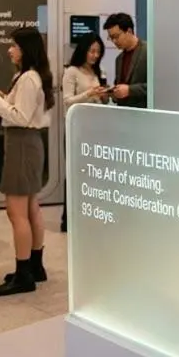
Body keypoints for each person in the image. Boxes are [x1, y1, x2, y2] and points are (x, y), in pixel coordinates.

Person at [0, 27, 55, 297]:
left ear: (26, 49)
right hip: (27, 144)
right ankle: (34, 265)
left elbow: (19, 116)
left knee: (16, 211)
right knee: (31, 207)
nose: (9, 50)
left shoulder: (28, 79)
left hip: (22, 143)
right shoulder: (28, 77)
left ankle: (23, 274)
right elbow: (15, 109)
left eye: (14, 45)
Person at [60, 33, 109, 232]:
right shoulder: (72, 71)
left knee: (94, 174)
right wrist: (89, 93)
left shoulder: (100, 71)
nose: (95, 55)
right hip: (77, 129)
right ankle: (69, 218)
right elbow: (67, 101)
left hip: (96, 128)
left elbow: (105, 101)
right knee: (75, 173)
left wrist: (105, 95)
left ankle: (92, 214)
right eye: (92, 51)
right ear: (83, 50)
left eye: (98, 52)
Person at [103, 13, 147, 108]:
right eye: (111, 38)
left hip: (145, 115)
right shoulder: (119, 59)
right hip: (124, 115)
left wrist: (130, 90)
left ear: (129, 31)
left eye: (116, 36)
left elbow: (159, 86)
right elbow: (120, 89)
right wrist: (112, 93)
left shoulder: (148, 51)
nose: (114, 41)